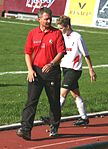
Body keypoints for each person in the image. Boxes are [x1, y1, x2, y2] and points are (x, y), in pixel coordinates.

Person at [16, 7, 65, 140]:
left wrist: (51, 64)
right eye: (46, 19)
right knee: (31, 101)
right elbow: (27, 52)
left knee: (54, 101)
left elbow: (61, 52)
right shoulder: (32, 33)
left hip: (52, 72)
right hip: (36, 72)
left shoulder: (57, 34)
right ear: (39, 19)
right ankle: (26, 129)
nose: (49, 21)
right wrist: (30, 69)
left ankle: (54, 126)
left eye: (50, 18)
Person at [41, 15, 97, 126]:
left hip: (74, 70)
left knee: (62, 94)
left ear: (67, 26)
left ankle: (53, 118)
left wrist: (91, 69)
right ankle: (84, 118)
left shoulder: (77, 37)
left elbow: (86, 54)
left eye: (61, 28)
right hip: (65, 69)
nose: (60, 30)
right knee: (75, 94)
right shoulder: (62, 36)